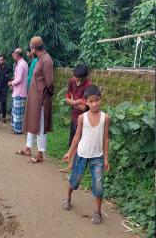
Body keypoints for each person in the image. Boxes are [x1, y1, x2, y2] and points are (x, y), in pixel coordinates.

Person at [61, 85, 110, 225]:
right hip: (82, 154)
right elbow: (77, 136)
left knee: (98, 184)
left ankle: (97, 211)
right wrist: (70, 152)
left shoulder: (105, 118)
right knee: (75, 179)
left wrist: (106, 158)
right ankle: (68, 197)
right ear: (86, 102)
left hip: (97, 157)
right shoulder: (82, 118)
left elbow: (106, 139)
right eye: (91, 101)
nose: (95, 104)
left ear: (101, 99)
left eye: (97, 100)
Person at [20, 36, 54, 163]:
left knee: (40, 125)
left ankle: (40, 153)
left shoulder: (47, 60)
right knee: (32, 120)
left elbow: (49, 83)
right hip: (35, 97)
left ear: (33, 49)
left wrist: (45, 96)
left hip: (41, 99)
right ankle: (28, 148)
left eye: (30, 48)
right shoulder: (40, 59)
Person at [8, 48, 28, 134]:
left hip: (19, 91)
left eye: (14, 54)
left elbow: (19, 79)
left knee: (18, 113)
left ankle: (18, 130)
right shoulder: (22, 63)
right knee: (16, 111)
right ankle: (16, 128)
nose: (13, 56)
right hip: (18, 91)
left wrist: (11, 83)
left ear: (17, 55)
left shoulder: (21, 64)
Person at [0, 54, 11, 122]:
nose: (0, 61)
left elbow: (9, 78)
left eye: (1, 60)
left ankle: (4, 116)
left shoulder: (8, 68)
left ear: (4, 60)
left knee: (3, 102)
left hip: (4, 88)